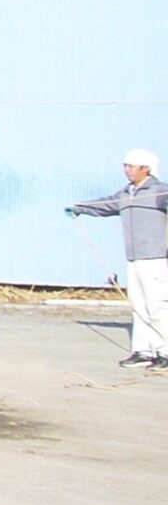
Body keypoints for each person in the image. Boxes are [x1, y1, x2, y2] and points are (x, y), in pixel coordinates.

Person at [66, 148, 167, 369]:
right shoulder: (127, 193)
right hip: (134, 257)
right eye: (125, 166)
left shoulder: (159, 192)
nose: (127, 170)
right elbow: (107, 204)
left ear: (145, 169)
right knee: (138, 305)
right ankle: (144, 351)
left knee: (157, 305)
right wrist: (80, 208)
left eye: (131, 166)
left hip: (156, 258)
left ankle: (164, 352)